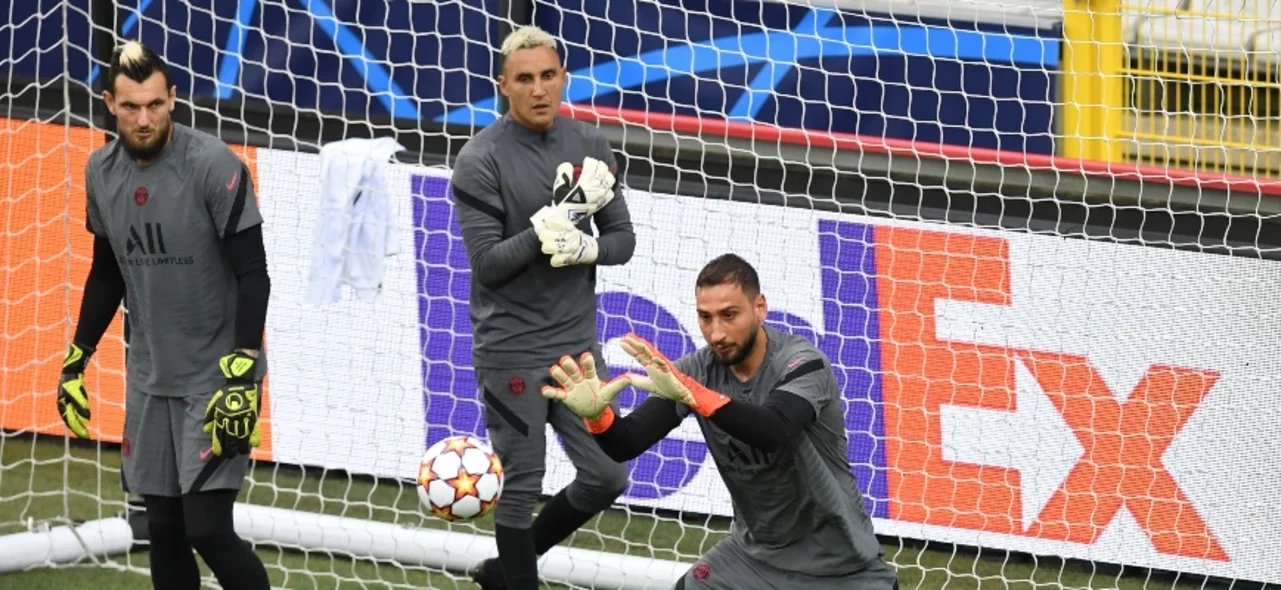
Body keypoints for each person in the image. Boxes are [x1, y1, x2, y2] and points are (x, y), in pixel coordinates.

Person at [541, 254, 901, 590]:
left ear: (760, 308)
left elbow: (773, 430)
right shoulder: (694, 372)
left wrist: (691, 393)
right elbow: (626, 444)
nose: (716, 334)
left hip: (839, 566)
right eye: (705, 317)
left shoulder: (803, 362)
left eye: (730, 315)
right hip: (753, 557)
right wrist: (597, 417)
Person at [56, 40, 272, 590]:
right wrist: (77, 358)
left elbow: (254, 273)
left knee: (207, 528)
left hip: (217, 377)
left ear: (173, 98)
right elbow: (107, 272)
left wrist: (245, 366)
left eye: (155, 104)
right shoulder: (100, 172)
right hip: (150, 378)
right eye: (131, 107)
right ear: (109, 103)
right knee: (165, 528)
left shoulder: (214, 166)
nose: (144, 118)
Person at [448, 25, 637, 590]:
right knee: (523, 482)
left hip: (577, 351)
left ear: (564, 79)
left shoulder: (592, 148)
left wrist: (588, 246)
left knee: (607, 476)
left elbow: (623, 240)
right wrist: (547, 228)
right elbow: (488, 264)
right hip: (509, 353)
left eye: (548, 76)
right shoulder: (479, 159)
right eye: (524, 79)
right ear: (502, 86)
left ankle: (507, 570)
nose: (538, 89)